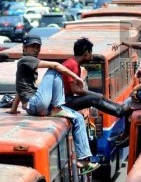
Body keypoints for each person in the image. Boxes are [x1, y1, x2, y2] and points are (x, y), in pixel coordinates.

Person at [8, 35, 99, 173]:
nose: (36, 50)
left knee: (78, 118)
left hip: (39, 105)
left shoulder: (28, 68)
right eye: (32, 47)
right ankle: (57, 107)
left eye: (38, 47)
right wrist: (75, 77)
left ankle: (83, 160)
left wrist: (13, 110)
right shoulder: (25, 60)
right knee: (54, 70)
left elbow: (20, 90)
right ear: (24, 48)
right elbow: (56, 65)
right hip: (35, 104)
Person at [61, 37, 128, 117]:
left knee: (99, 96)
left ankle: (119, 107)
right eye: (91, 53)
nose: (92, 56)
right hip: (64, 101)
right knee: (94, 99)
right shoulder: (73, 65)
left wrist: (97, 95)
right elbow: (76, 90)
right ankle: (119, 111)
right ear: (86, 53)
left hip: (67, 99)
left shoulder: (73, 63)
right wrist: (94, 94)